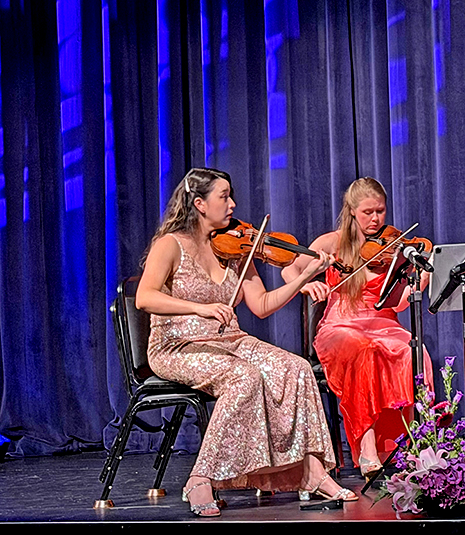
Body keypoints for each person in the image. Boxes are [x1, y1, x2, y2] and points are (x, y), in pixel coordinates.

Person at [136, 168, 355, 517]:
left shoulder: (235, 248)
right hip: (177, 345)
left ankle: (313, 472)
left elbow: (262, 305)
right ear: (199, 204)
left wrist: (303, 278)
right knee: (244, 377)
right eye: (224, 197)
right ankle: (201, 478)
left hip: (230, 341)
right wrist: (199, 308)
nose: (233, 204)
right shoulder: (171, 244)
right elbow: (144, 298)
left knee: (296, 368)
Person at [281, 177, 432, 481]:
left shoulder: (395, 247)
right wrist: (306, 284)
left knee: (413, 353)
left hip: (384, 323)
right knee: (362, 350)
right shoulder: (331, 242)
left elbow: (400, 304)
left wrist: (421, 281)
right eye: (368, 212)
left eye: (380, 211)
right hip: (341, 324)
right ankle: (367, 447)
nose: (375, 219)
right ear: (352, 211)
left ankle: (414, 445)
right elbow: (290, 268)